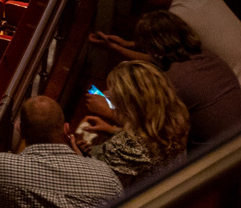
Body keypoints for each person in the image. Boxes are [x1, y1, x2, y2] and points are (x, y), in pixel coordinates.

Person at [89, 10, 241, 146]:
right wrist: (115, 47)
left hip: (209, 154)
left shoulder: (175, 81)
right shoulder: (205, 56)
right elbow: (154, 60)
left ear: (155, 47)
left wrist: (108, 112)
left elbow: (149, 129)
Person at [77, 60, 190, 184]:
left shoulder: (125, 146)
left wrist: (77, 151)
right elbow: (147, 136)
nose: (107, 95)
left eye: (113, 97)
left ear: (129, 107)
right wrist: (112, 129)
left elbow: (97, 179)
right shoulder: (176, 117)